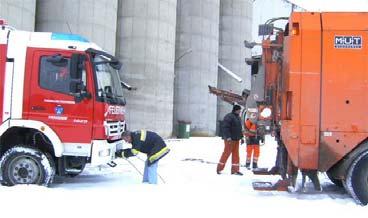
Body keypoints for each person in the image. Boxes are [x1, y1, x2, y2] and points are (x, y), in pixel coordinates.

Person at [216, 104, 243, 175]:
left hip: (236, 139)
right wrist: (228, 137)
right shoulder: (229, 117)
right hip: (230, 139)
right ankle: (219, 168)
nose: (240, 112)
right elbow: (225, 128)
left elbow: (239, 129)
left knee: (236, 155)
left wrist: (241, 137)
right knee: (226, 153)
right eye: (239, 110)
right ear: (236, 110)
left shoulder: (238, 118)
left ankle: (235, 170)